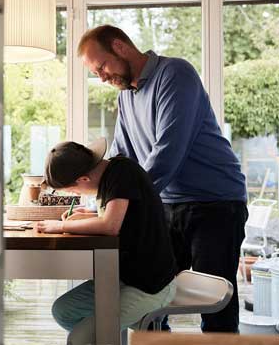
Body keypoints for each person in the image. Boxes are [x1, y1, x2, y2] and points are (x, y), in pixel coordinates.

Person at [77, 25, 248, 333]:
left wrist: (119, 204)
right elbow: (122, 159)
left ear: (120, 47)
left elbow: (167, 153)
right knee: (149, 299)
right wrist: (97, 200)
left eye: (101, 66)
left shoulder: (175, 74)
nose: (101, 77)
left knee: (215, 307)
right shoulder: (126, 96)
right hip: (165, 204)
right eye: (96, 72)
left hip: (215, 204)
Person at [37, 137, 178, 345]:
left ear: (84, 179)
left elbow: (110, 225)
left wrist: (61, 226)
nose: (76, 195)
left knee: (80, 338)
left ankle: (103, 332)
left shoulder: (122, 172)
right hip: (121, 278)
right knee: (63, 311)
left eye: (72, 191)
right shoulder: (110, 176)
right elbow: (123, 220)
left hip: (149, 285)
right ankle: (104, 332)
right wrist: (83, 217)